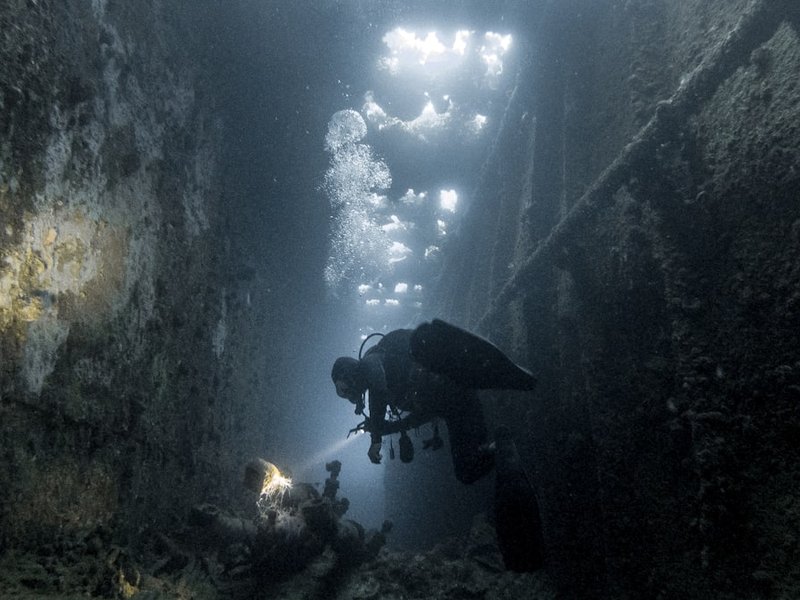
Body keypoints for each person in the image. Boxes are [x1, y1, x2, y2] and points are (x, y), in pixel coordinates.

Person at [331, 319, 537, 485]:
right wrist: (390, 428)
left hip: (453, 387)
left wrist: (376, 438)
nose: (348, 395)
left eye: (343, 389)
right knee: (466, 472)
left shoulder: (373, 359)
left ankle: (481, 372)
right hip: (456, 406)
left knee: (467, 468)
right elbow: (426, 412)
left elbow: (376, 382)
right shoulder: (390, 391)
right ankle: (504, 444)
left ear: (350, 373)